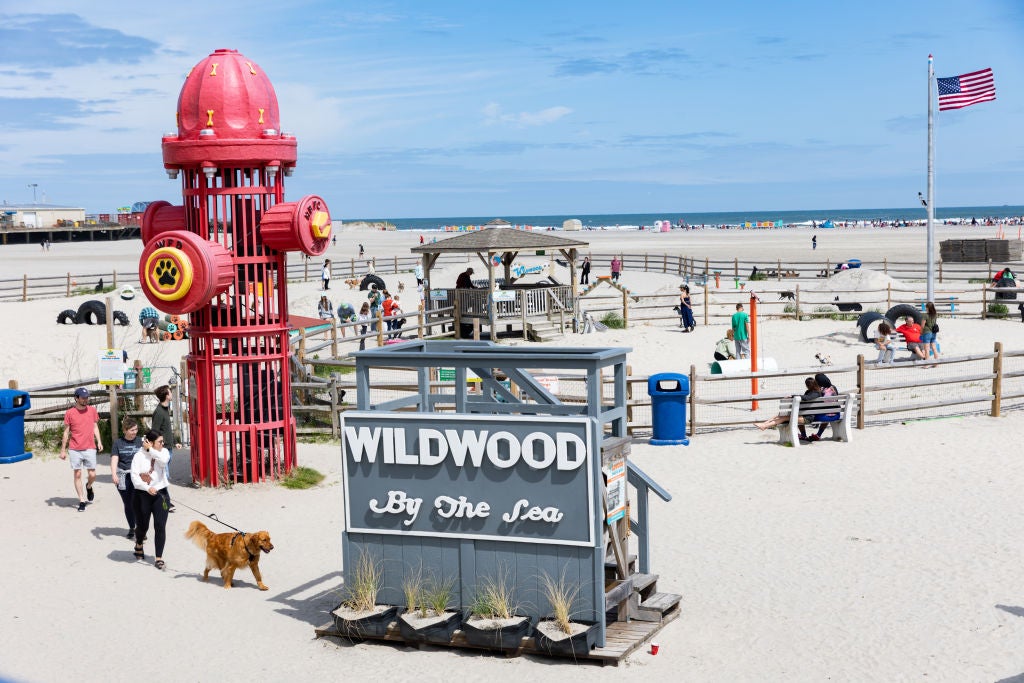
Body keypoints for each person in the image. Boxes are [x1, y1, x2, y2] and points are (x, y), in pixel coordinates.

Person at [131, 430, 170, 570]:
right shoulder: (138, 456)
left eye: (162, 441)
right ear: (150, 442)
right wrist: (147, 488)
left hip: (161, 494)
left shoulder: (163, 452)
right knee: (143, 526)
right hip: (142, 495)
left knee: (160, 526)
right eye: (160, 441)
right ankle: (139, 543)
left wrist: (151, 450)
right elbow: (134, 478)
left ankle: (159, 557)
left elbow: (164, 462)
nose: (163, 443)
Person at [60, 387, 102, 512]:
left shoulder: (92, 411)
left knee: (92, 474)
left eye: (87, 397)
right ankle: (82, 500)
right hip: (75, 448)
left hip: (90, 446)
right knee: (77, 474)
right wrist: (63, 450)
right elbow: (66, 432)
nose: (85, 399)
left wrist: (99, 441)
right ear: (76, 398)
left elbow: (95, 427)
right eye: (83, 397)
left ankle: (89, 486)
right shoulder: (69, 413)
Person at [754, 377, 822, 436]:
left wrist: (793, 396)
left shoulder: (816, 393)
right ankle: (764, 424)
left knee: (783, 418)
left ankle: (765, 426)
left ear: (808, 385)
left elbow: (806, 398)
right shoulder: (813, 392)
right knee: (778, 416)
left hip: (807, 418)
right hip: (803, 415)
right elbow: (805, 398)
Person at [111, 417, 142, 538]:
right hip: (122, 476)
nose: (135, 432)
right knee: (128, 503)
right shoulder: (118, 443)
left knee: (137, 503)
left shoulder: (140, 441)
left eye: (136, 429)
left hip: (136, 476)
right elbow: (114, 459)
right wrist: (114, 474)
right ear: (125, 430)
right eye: (132, 430)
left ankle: (140, 528)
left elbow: (150, 456)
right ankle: (132, 527)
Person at [151, 385, 180, 512]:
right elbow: (155, 432)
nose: (171, 394)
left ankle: (161, 499)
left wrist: (175, 442)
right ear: (166, 396)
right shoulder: (158, 412)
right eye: (170, 392)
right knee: (164, 476)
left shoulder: (165, 409)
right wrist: (157, 449)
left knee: (163, 476)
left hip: (168, 447)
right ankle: (166, 502)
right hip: (162, 449)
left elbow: (166, 430)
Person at [809, 373, 840, 442]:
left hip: (825, 416)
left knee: (811, 415)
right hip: (836, 415)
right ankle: (818, 435)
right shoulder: (834, 388)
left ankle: (803, 435)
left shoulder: (821, 391)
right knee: (828, 412)